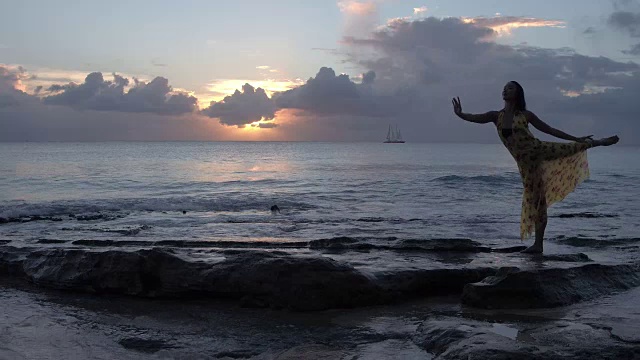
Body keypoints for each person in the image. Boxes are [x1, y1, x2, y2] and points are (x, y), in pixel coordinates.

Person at [452, 81, 619, 253]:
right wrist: (460, 114)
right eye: (504, 88)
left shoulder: (526, 115)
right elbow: (475, 117)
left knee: (570, 149)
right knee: (537, 201)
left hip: (538, 149)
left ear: (517, 93)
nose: (505, 90)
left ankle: (597, 142)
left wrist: (576, 137)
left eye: (510, 88)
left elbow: (550, 130)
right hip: (526, 165)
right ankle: (538, 245)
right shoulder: (496, 116)